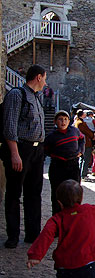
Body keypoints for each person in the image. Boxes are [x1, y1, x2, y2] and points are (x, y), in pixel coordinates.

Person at [27, 179, 95, 278]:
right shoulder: (91, 211)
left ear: (59, 203)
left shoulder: (57, 219)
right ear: (81, 199)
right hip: (88, 263)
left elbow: (45, 236)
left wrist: (35, 255)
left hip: (66, 266)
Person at [1, 64, 46, 248]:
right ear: (38, 77)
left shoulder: (37, 97)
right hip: (21, 149)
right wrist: (14, 153)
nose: (45, 82)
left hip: (37, 150)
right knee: (14, 192)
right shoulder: (16, 95)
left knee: (34, 193)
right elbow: (9, 126)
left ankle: (33, 234)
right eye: (44, 77)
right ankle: (12, 236)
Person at [44, 110, 85, 215]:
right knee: (57, 193)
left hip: (73, 165)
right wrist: (54, 155)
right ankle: (58, 217)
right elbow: (45, 148)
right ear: (55, 122)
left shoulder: (74, 131)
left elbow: (82, 139)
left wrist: (81, 150)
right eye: (60, 119)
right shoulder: (51, 136)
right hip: (58, 166)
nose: (63, 122)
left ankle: (73, 217)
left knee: (75, 191)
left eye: (66, 119)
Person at [75, 110, 94, 181]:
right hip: (86, 143)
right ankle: (83, 174)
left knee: (82, 159)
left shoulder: (78, 122)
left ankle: (81, 173)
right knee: (86, 159)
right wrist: (93, 136)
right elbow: (87, 131)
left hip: (82, 142)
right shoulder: (80, 123)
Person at [83, 110, 95, 176]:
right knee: (91, 153)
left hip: (85, 137)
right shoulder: (92, 120)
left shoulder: (83, 120)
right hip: (91, 136)